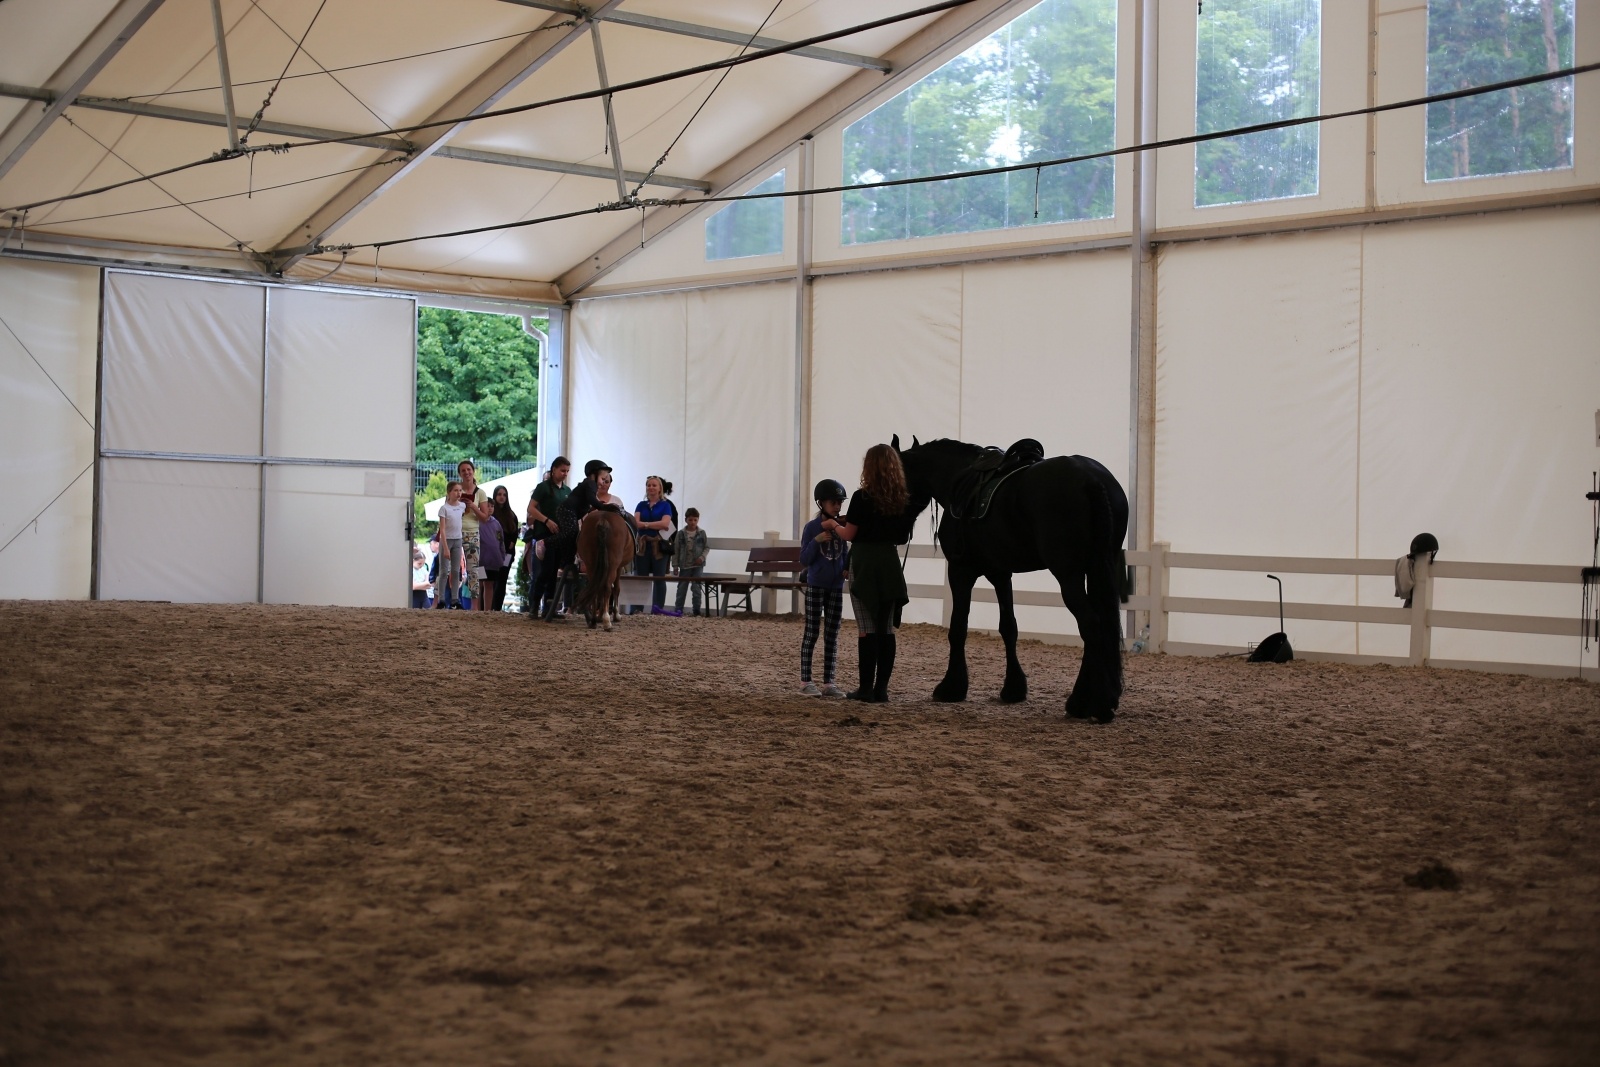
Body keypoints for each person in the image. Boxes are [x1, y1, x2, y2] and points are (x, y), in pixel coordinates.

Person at [829, 444, 917, 702]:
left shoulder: (861, 497)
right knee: (886, 628)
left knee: (866, 629)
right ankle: (882, 689)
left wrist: (834, 524)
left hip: (865, 562)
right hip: (888, 562)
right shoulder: (902, 499)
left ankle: (865, 688)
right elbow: (901, 537)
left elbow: (850, 535)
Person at [799, 480, 851, 696]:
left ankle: (829, 682)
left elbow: (845, 551)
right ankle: (806, 681)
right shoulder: (811, 528)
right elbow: (804, 559)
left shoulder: (840, 527)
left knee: (832, 633)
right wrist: (817, 540)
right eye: (833, 502)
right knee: (812, 632)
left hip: (836, 587)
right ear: (821, 503)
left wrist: (846, 568)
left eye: (839, 503)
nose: (837, 507)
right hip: (816, 585)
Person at [526, 457, 572, 617]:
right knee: (545, 571)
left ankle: (549, 607)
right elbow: (531, 508)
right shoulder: (543, 487)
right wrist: (546, 520)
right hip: (545, 535)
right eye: (562, 470)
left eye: (567, 471)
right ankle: (534, 605)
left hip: (560, 536)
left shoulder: (567, 491)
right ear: (554, 470)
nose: (565, 474)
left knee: (554, 572)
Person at [631, 475, 674, 613]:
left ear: (660, 488)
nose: (651, 488)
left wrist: (646, 524)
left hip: (658, 546)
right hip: (643, 545)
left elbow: (665, 523)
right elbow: (635, 523)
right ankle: (637, 608)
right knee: (641, 577)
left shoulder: (666, 505)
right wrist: (653, 525)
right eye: (649, 485)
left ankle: (657, 609)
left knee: (659, 578)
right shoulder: (641, 505)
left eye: (654, 485)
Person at [457, 460, 492, 612]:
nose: (466, 472)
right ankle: (451, 600)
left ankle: (475, 606)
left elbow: (485, 517)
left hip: (472, 533)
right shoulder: (455, 490)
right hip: (456, 532)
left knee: (473, 570)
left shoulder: (480, 493)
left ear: (473, 471)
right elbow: (447, 511)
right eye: (463, 470)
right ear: (460, 474)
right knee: (451, 568)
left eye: (469, 469)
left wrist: (472, 507)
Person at [434, 481, 467, 609]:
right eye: (455, 490)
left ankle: (455, 599)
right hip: (447, 540)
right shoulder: (444, 508)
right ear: (449, 493)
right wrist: (446, 547)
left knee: (455, 570)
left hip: (458, 539)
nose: (458, 493)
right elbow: (442, 529)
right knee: (444, 571)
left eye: (460, 490)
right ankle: (441, 599)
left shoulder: (462, 506)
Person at [673, 507, 710, 616]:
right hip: (684, 566)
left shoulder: (702, 533)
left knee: (696, 588)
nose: (693, 522)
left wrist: (702, 558)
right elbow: (676, 550)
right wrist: (675, 566)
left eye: (695, 520)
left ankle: (696, 610)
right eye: (690, 520)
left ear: (698, 520)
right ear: (686, 520)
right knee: (681, 588)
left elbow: (706, 547)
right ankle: (678, 609)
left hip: (697, 566)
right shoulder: (680, 534)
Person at [489, 485, 519, 612]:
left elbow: (514, 533)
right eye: (499, 494)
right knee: (490, 580)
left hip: (507, 554)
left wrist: (512, 543)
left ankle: (497, 608)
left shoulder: (511, 515)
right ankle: (487, 606)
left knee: (502, 579)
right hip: (491, 554)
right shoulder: (490, 514)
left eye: (504, 495)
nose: (502, 497)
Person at [478, 504, 509, 613]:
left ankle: (487, 610)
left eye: (492, 506)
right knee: (479, 584)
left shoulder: (496, 524)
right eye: (487, 506)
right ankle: (478, 609)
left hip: (493, 561)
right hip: (480, 561)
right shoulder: (477, 522)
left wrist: (502, 555)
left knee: (489, 584)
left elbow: (500, 540)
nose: (490, 508)